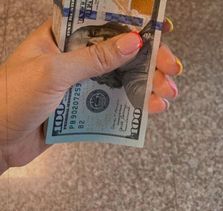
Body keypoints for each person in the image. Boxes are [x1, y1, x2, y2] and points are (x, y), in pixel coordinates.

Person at [0, 18, 183, 176]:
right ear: (103, 77)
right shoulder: (132, 79)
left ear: (109, 26)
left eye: (93, 32)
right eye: (89, 47)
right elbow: (138, 96)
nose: (96, 41)